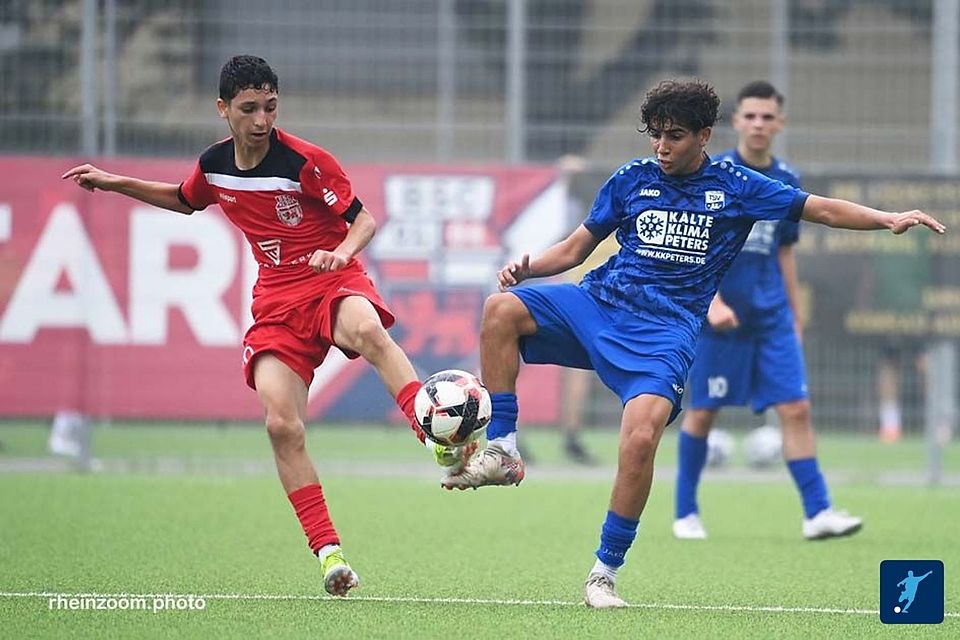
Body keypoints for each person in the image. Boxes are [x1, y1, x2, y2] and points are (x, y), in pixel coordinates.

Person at [440, 79, 945, 608]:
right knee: (501, 310)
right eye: (655, 135)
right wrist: (528, 268)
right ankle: (503, 448)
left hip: (665, 333)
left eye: (674, 136)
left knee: (639, 441)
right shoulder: (631, 180)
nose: (661, 147)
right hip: (599, 306)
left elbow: (819, 209)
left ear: (704, 135)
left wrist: (887, 218)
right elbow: (573, 249)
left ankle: (603, 574)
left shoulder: (736, 185)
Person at [62, 55, 474, 598]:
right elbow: (185, 201)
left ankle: (435, 434)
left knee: (371, 331)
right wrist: (114, 182)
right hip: (277, 301)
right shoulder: (214, 167)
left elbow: (364, 220)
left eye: (270, 107)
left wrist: (340, 252)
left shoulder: (305, 161)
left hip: (332, 279)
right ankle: (330, 554)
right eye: (249, 108)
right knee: (282, 426)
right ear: (223, 109)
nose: (261, 120)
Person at [672, 80, 862, 542]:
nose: (758, 124)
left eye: (767, 117)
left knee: (795, 408)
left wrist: (794, 316)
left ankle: (817, 512)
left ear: (780, 124)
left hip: (771, 317)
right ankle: (685, 511)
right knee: (704, 412)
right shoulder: (713, 175)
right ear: (735, 122)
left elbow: (784, 254)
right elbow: (692, 251)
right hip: (720, 321)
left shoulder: (787, 180)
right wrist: (712, 303)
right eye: (750, 116)